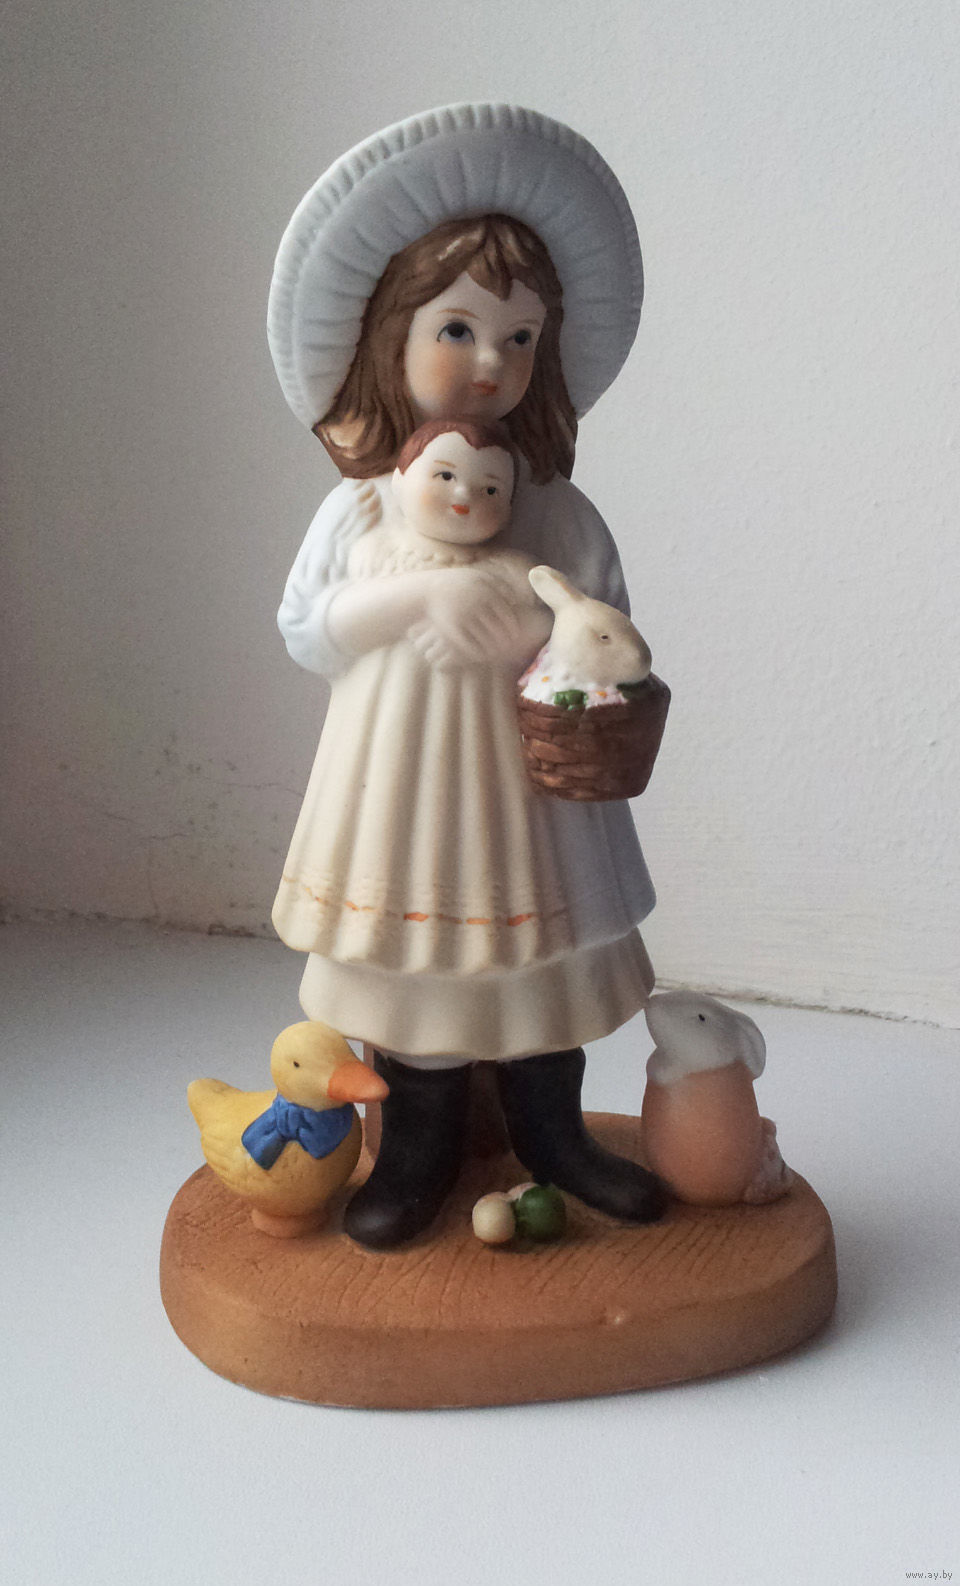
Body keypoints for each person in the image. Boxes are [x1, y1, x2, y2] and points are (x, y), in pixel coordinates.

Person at [268, 105, 667, 1247]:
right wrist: (416, 601)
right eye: (459, 328)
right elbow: (307, 627)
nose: (492, 363)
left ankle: (553, 1133)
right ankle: (422, 1144)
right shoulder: (359, 511)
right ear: (391, 337)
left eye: (521, 337)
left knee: (539, 969)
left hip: (530, 800)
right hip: (398, 792)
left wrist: (526, 632)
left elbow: (605, 624)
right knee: (417, 973)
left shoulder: (556, 510)